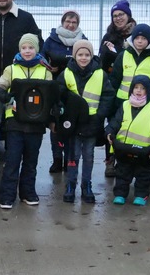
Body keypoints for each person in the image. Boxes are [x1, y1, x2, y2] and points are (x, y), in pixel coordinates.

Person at [0, 0, 41, 181]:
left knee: (18, 120)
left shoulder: (26, 18)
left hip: (22, 79)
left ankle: (19, 161)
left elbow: (38, 44)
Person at [0, 34, 52, 209]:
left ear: (37, 50)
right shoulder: (11, 69)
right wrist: (5, 96)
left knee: (31, 160)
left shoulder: (45, 70)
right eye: (24, 48)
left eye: (31, 48)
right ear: (19, 50)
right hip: (15, 121)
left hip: (36, 123)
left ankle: (28, 193)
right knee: (12, 159)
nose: (27, 51)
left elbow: (51, 93)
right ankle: (7, 196)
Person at [56, 39, 114, 203]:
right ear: (74, 56)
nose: (83, 58)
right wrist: (62, 111)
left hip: (92, 122)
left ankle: (86, 185)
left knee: (89, 156)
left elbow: (108, 95)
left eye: (87, 54)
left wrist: (100, 115)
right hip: (73, 124)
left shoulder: (100, 74)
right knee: (73, 156)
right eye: (80, 54)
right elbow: (58, 95)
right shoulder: (66, 73)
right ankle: (70, 185)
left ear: (91, 55)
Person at [105, 75, 150, 206]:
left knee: (143, 175)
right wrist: (109, 132)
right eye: (136, 87)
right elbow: (115, 122)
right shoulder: (125, 105)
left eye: (142, 88)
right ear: (131, 89)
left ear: (148, 91)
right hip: (124, 148)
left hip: (144, 151)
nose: (138, 90)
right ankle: (120, 194)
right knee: (122, 173)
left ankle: (141, 195)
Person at [43, 10, 87, 173]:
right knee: (55, 123)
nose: (70, 24)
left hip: (74, 89)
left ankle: (70, 159)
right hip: (55, 87)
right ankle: (57, 159)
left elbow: (88, 59)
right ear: (62, 22)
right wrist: (50, 68)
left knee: (71, 124)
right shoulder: (52, 39)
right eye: (68, 21)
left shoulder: (82, 40)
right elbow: (42, 57)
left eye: (74, 22)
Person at [98, 0, 136, 178]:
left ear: (128, 15)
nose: (118, 18)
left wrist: (118, 54)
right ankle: (110, 160)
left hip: (134, 90)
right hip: (112, 89)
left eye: (121, 14)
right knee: (113, 125)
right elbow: (101, 62)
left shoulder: (137, 35)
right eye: (114, 16)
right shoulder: (108, 37)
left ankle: (128, 160)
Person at [110, 23, 150, 109]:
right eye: (137, 38)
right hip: (122, 102)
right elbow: (114, 81)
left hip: (146, 104)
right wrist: (111, 106)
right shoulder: (123, 55)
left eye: (143, 38)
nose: (140, 41)